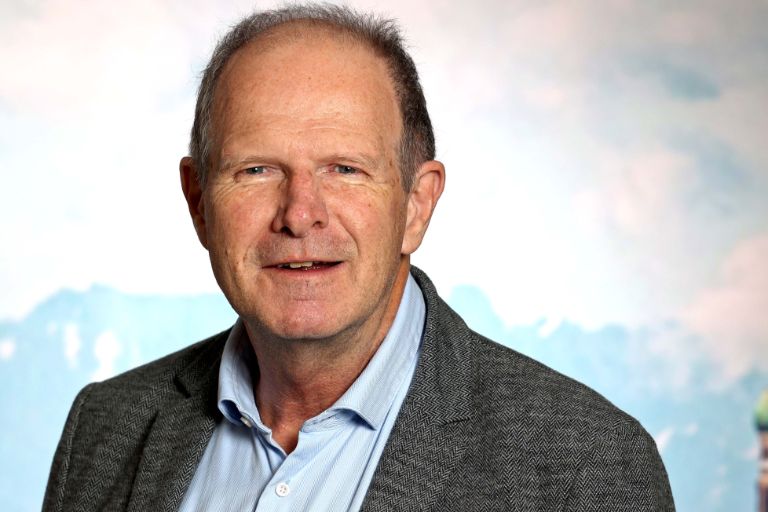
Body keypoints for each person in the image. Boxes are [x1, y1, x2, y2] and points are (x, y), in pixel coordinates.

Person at [43, 4, 675, 511]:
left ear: (416, 205)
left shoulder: (583, 467)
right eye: (256, 169)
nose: (300, 214)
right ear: (199, 201)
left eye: (345, 169)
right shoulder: (105, 428)